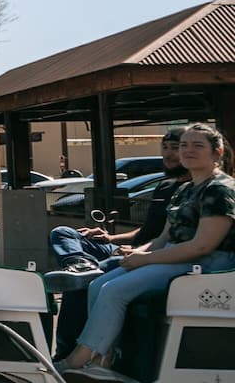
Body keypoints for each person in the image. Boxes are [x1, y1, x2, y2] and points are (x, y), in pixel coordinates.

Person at [57, 123, 235, 379]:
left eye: (198, 145)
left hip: (208, 265)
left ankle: (78, 360)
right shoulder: (184, 189)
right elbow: (164, 238)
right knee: (97, 284)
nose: (188, 150)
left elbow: (203, 246)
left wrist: (147, 259)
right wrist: (137, 255)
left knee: (114, 291)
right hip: (177, 256)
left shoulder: (220, 189)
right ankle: (104, 361)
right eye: (184, 145)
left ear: (217, 153)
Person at [44, 127, 187, 359]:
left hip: (150, 254)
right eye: (166, 148)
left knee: (85, 286)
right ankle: (80, 265)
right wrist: (111, 238)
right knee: (63, 233)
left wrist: (138, 251)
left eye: (177, 148)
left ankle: (71, 354)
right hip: (131, 248)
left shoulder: (203, 190)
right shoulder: (165, 186)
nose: (169, 154)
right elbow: (148, 230)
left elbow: (174, 239)